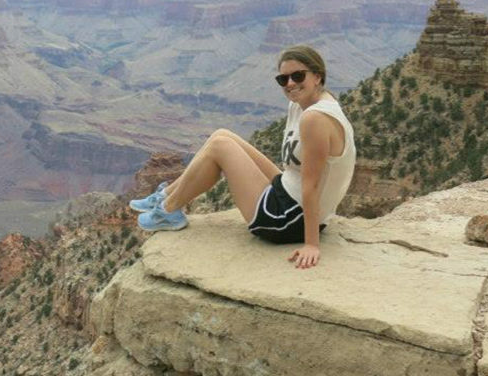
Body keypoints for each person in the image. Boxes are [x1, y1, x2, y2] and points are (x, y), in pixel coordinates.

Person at [130, 45, 356, 269]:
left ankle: (168, 211)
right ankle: (165, 196)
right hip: (286, 191)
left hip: (287, 219)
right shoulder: (305, 104)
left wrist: (311, 245)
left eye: (298, 76)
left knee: (220, 146)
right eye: (283, 79)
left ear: (317, 76)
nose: (290, 84)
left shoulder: (315, 119)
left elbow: (312, 185)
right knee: (222, 134)